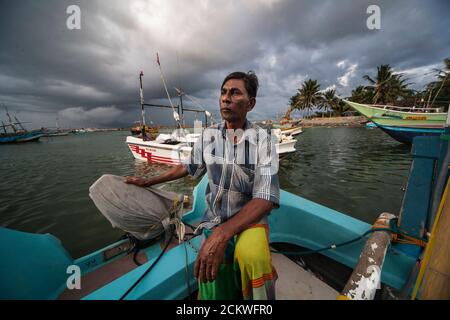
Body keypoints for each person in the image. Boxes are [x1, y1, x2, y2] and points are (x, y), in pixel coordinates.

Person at [125, 71, 280, 300]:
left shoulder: (264, 141)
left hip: (249, 221)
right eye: (223, 92)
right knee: (208, 272)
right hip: (215, 218)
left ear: (251, 103)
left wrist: (223, 234)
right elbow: (188, 167)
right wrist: (148, 180)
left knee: (254, 258)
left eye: (235, 93)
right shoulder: (209, 135)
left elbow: (265, 198)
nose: (226, 98)